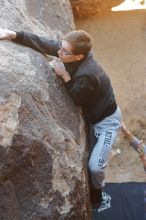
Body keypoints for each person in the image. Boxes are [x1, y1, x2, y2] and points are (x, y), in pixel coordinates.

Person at [0, 28, 122, 208]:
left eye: (64, 52)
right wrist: (15, 35)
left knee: (95, 167)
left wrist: (64, 75)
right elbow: (44, 43)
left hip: (106, 122)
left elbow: (77, 99)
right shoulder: (70, 50)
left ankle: (98, 192)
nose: (59, 53)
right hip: (95, 114)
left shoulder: (88, 74)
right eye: (61, 47)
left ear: (78, 57)